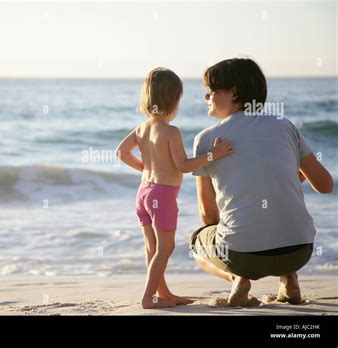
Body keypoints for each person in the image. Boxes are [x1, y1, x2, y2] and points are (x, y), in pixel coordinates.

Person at [190, 58, 334, 306]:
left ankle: (238, 279)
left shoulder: (207, 139)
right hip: (299, 251)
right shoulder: (284, 125)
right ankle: (289, 278)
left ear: (233, 91)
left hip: (241, 256)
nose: (206, 97)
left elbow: (208, 215)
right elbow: (325, 185)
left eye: (211, 90)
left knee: (196, 243)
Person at [116, 67, 233, 309]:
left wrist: (147, 169)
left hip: (144, 192)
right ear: (173, 100)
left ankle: (164, 293)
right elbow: (184, 166)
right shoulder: (171, 131)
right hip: (162, 195)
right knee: (166, 247)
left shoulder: (142, 127)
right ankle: (148, 298)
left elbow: (121, 152)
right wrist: (214, 154)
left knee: (152, 247)